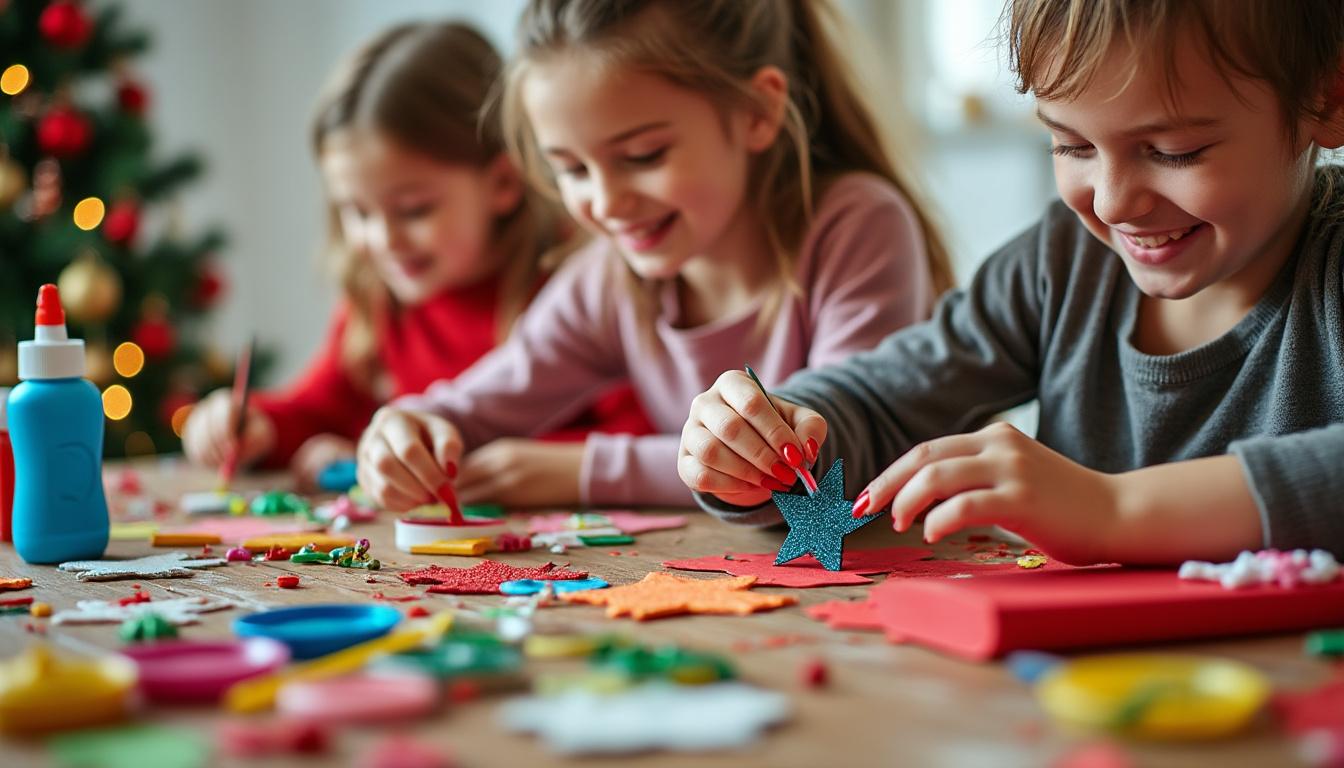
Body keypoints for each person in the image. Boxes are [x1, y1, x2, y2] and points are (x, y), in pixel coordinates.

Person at [680, 0, 1344, 564]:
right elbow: (885, 399)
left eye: (1173, 152)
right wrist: (767, 438)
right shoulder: (1060, 263)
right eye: (1072, 146)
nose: (1112, 203)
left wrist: (1112, 509)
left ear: (1327, 97)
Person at [355, 0, 954, 510]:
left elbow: (824, 459)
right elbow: (475, 406)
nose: (606, 202)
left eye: (643, 156)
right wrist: (406, 428)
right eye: (570, 168)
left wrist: (585, 470)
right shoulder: (609, 277)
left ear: (757, 111)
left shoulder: (856, 225)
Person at [182, 21, 652, 492]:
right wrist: (250, 425)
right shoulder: (379, 299)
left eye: (413, 210)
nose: (383, 238)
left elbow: (641, 430)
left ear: (503, 184)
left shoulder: (577, 290)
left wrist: (481, 454)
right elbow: (317, 408)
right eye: (357, 211)